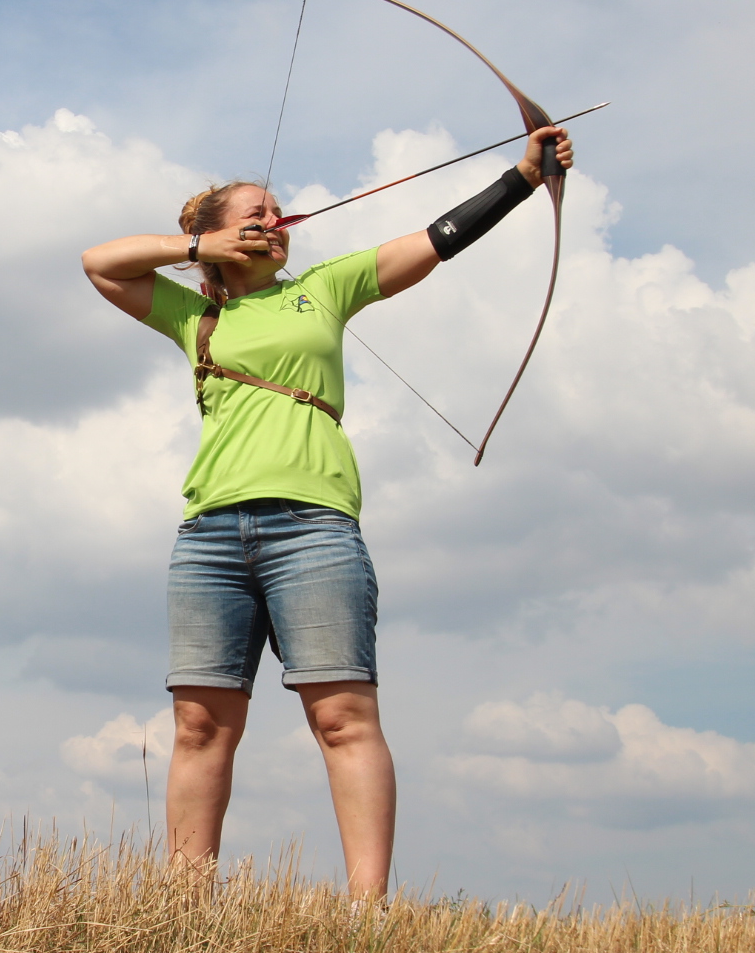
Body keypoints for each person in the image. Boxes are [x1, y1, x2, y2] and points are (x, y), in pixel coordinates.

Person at [80, 125, 573, 899]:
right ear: (216, 234)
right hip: (210, 536)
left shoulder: (325, 288)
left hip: (314, 530)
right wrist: (200, 249)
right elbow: (98, 263)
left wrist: (522, 178)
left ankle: (366, 915)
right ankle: (183, 908)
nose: (274, 221)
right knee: (200, 727)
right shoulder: (193, 316)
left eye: (277, 212)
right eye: (256, 213)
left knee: (344, 717)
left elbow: (437, 239)